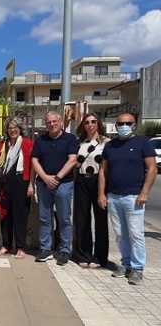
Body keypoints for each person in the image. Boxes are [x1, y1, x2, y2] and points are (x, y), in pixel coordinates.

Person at [99, 113, 156, 285]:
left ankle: (137, 269)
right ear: (115, 126)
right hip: (114, 196)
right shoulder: (111, 146)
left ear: (134, 125)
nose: (124, 126)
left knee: (136, 234)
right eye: (120, 123)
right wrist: (102, 194)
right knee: (120, 234)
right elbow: (103, 171)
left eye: (127, 123)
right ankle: (126, 264)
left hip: (134, 197)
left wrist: (144, 192)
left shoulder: (143, 143)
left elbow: (152, 169)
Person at [31, 111, 79, 265]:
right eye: (48, 122)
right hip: (43, 184)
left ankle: (65, 250)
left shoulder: (70, 139)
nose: (51, 124)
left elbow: (72, 160)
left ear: (60, 122)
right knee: (44, 218)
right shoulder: (41, 140)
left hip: (63, 184)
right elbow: (34, 161)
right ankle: (46, 248)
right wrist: (45, 178)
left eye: (54, 121)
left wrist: (57, 178)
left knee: (64, 218)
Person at [0, 117, 35, 259]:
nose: (13, 130)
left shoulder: (28, 144)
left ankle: (21, 247)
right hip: (5, 182)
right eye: (10, 127)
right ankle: (6, 245)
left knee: (20, 215)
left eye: (15, 127)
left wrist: (31, 184)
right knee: (5, 215)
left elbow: (33, 166)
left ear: (21, 129)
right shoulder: (3, 145)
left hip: (21, 180)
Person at [73, 113, 110, 268]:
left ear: (98, 123)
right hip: (82, 180)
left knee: (100, 219)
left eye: (93, 121)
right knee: (82, 219)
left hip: (99, 181)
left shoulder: (106, 142)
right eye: (87, 122)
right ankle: (83, 254)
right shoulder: (79, 142)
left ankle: (99, 257)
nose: (90, 125)